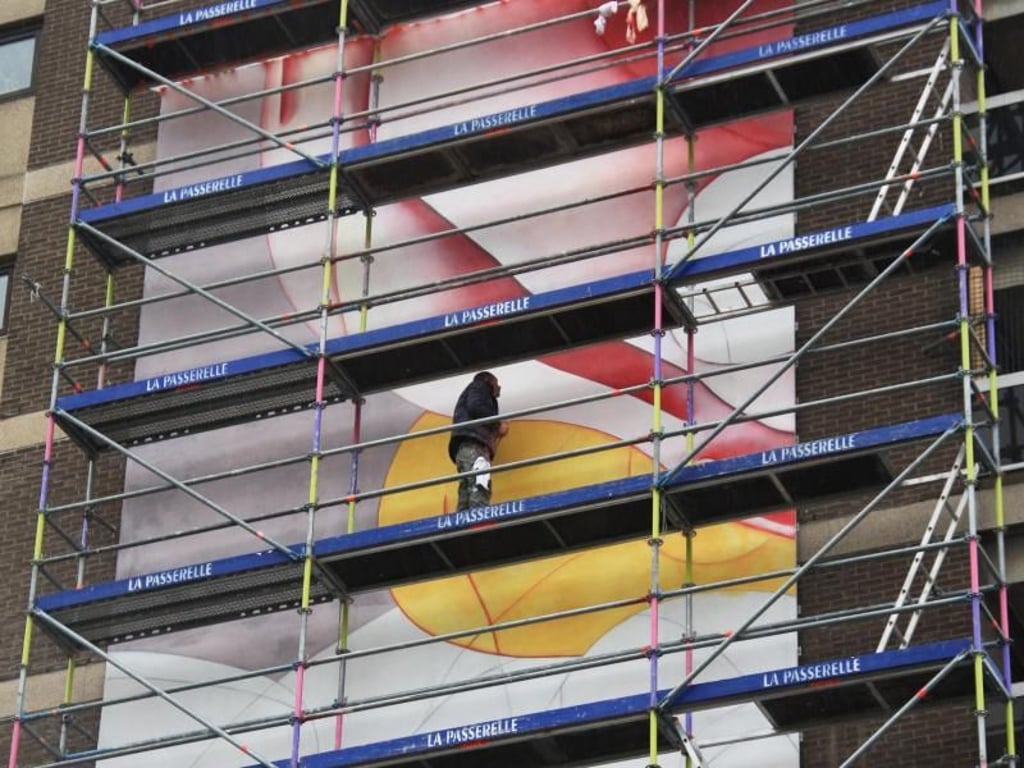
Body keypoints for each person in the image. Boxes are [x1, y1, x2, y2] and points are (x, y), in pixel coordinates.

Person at [448, 371, 509, 510]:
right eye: (497, 383)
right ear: (489, 380)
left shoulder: (473, 390)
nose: (499, 388)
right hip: (474, 444)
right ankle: (478, 519)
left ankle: (462, 525)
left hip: (463, 447)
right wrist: (497, 424)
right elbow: (476, 407)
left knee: (466, 488)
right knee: (479, 482)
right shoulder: (480, 386)